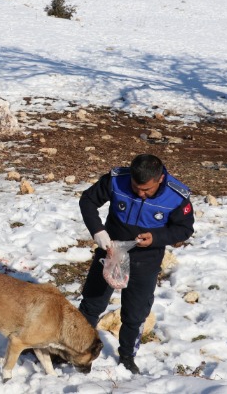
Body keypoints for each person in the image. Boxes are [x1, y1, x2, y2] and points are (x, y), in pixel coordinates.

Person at [77, 154, 194, 375]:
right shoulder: (117, 179)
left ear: (160, 179)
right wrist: (98, 231)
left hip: (146, 260)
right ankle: (77, 349)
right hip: (110, 251)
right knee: (92, 304)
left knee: (135, 313)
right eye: (136, 187)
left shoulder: (176, 196)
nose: (140, 193)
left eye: (146, 190)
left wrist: (157, 238)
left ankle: (128, 357)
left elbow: (184, 229)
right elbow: (88, 200)